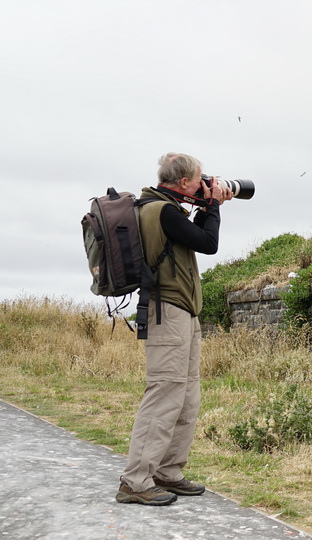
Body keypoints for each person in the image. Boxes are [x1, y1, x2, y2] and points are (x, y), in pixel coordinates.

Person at [116, 152, 233, 506]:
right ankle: (135, 481)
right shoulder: (160, 210)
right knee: (165, 395)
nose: (203, 184)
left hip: (181, 311)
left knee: (185, 396)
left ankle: (168, 471)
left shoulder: (165, 208)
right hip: (167, 312)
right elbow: (208, 243)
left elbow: (191, 237)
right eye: (199, 180)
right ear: (183, 182)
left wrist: (202, 205)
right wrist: (213, 206)